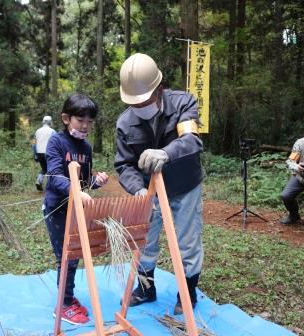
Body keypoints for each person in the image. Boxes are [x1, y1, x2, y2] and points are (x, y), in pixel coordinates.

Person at [114, 53, 204, 315]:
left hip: (185, 185)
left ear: (159, 90)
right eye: (135, 103)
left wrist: (166, 153)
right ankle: (146, 288)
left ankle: (187, 292)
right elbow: (124, 165)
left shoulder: (183, 103)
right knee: (144, 240)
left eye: (145, 101)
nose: (140, 107)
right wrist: (138, 190)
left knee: (187, 240)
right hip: (148, 191)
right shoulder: (125, 123)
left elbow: (192, 141)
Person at [43, 93, 109, 325]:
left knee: (75, 256)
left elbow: (85, 184)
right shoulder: (56, 142)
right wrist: (75, 190)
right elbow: (53, 176)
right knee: (66, 257)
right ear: (65, 118)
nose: (85, 126)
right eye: (80, 120)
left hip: (76, 210)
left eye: (90, 122)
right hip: (57, 209)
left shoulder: (87, 148)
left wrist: (96, 182)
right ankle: (63, 306)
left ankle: (68, 298)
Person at [34, 115, 56, 191]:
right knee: (51, 169)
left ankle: (39, 181)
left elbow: (34, 144)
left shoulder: (37, 131)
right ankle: (50, 186)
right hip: (49, 153)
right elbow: (55, 144)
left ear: (43, 122)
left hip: (39, 153)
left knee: (44, 168)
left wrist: (35, 155)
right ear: (50, 122)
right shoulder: (53, 131)